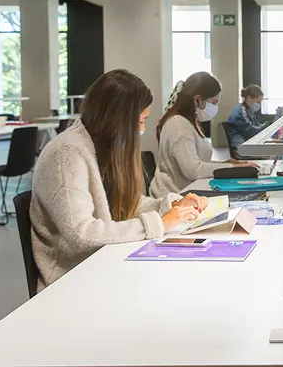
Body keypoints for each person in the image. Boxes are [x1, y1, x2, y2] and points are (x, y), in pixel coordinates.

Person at [30, 69, 208, 290]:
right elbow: (82, 234)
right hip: (73, 280)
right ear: (119, 119)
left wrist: (169, 207)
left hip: (103, 264)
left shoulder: (101, 146)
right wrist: (159, 223)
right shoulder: (67, 154)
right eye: (140, 121)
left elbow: (126, 203)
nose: (141, 129)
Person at [151, 72, 257, 198]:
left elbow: (197, 161)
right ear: (198, 100)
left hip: (186, 192)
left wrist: (225, 164)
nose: (215, 107)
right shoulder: (179, 126)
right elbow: (193, 170)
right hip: (173, 197)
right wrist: (232, 168)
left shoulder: (188, 122)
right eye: (214, 102)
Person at [225, 85, 270, 152]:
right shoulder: (240, 112)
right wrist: (267, 126)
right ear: (249, 98)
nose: (259, 105)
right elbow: (251, 131)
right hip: (241, 148)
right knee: (272, 153)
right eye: (258, 102)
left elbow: (257, 126)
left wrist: (267, 126)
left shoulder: (248, 110)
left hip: (246, 144)